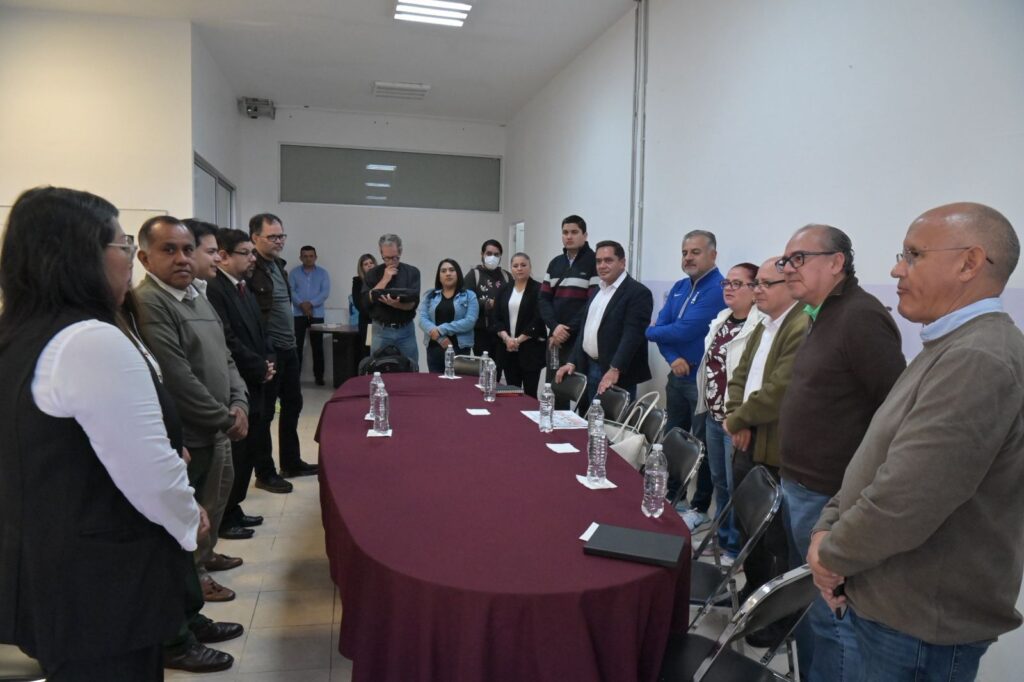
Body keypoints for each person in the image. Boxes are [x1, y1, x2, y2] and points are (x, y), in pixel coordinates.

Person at [809, 203, 1024, 682]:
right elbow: (877, 455)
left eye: (913, 255)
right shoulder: (948, 346)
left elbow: (907, 499)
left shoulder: (979, 358)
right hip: (892, 605)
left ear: (969, 263)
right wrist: (828, 525)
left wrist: (831, 554)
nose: (896, 269)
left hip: (919, 624)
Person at [0, 187, 202, 680]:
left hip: (45, 564)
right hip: (102, 583)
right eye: (123, 244)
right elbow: (150, 475)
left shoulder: (21, 332)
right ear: (81, 255)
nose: (129, 257)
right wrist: (188, 515)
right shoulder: (90, 340)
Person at [775, 224, 906, 681]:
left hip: (829, 495)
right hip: (801, 486)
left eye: (798, 259)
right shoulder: (820, 312)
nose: (787, 269)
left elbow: (894, 411)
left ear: (836, 262)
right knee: (810, 609)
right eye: (785, 260)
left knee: (831, 617)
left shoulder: (860, 317)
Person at [135, 216, 250, 605]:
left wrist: (239, 402)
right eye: (169, 250)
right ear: (144, 258)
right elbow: (178, 378)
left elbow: (225, 357)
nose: (182, 258)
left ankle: (205, 557)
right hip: (193, 435)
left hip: (219, 427)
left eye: (187, 249)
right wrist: (225, 418)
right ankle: (194, 579)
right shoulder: (151, 302)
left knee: (214, 502)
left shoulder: (196, 295)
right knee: (192, 515)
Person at [723, 257, 807, 644]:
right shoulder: (763, 324)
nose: (757, 290)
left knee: (773, 539)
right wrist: (736, 416)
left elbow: (779, 390)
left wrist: (740, 420)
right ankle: (752, 595)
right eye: (755, 283)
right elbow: (739, 374)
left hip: (772, 447)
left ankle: (775, 619)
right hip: (746, 437)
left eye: (765, 284)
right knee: (748, 526)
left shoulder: (800, 327)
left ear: (790, 286)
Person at [646, 230, 726, 531]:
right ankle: (672, 494)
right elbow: (664, 329)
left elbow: (681, 331)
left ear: (713, 255)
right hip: (677, 374)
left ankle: (699, 506)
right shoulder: (680, 286)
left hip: (701, 381)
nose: (688, 258)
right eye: (684, 252)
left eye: (695, 252)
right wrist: (672, 358)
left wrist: (653, 332)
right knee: (674, 437)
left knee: (702, 445)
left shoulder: (717, 289)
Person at [207, 227, 279, 537]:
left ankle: (234, 506)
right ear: (224, 256)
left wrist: (269, 361)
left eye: (252, 252)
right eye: (245, 253)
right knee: (237, 452)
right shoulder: (215, 290)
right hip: (238, 380)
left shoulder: (243, 286)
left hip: (257, 376)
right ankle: (224, 516)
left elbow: (261, 330)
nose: (252, 258)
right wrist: (257, 366)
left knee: (250, 448)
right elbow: (227, 339)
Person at [692, 262, 761, 563]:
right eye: (726, 283)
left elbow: (753, 378)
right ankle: (721, 538)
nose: (729, 288)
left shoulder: (759, 325)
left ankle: (736, 548)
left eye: (737, 283)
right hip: (713, 416)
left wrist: (741, 418)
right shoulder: (722, 319)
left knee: (737, 486)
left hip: (736, 420)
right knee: (720, 481)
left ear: (755, 289)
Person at [249, 213, 318, 480]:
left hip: (288, 348)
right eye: (272, 237)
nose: (279, 241)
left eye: (281, 236)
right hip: (269, 350)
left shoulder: (278, 265)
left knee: (293, 404)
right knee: (265, 413)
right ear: (255, 238)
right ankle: (265, 472)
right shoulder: (251, 269)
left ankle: (291, 463)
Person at [554, 240, 652, 413]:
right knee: (588, 421)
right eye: (598, 261)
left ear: (622, 262)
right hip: (588, 367)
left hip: (615, 374)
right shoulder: (598, 290)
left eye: (608, 260)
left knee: (609, 426)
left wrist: (615, 369)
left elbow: (633, 335)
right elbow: (585, 330)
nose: (602, 265)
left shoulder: (638, 292)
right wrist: (572, 361)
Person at [538, 215, 598, 406]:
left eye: (574, 232)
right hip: (556, 339)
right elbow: (543, 299)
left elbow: (592, 304)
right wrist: (555, 327)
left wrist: (567, 330)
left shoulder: (594, 262)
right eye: (565, 232)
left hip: (580, 339)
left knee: (583, 395)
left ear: (585, 235)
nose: (569, 236)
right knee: (554, 391)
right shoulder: (555, 263)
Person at [491, 252, 547, 397]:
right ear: (511, 268)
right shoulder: (504, 289)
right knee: (513, 393)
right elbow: (496, 318)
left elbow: (538, 319)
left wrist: (518, 340)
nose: (519, 268)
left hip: (531, 350)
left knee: (530, 394)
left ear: (530, 267)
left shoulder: (539, 289)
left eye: (523, 265)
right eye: (515, 266)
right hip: (508, 349)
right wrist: (507, 339)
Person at [362, 233, 422, 367]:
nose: (391, 262)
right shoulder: (372, 274)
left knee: (411, 367)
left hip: (406, 329)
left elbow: (414, 304)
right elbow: (365, 302)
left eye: (395, 257)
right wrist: (385, 279)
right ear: (381, 253)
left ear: (400, 251)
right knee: (377, 368)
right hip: (381, 330)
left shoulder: (412, 272)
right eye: (387, 258)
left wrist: (396, 305)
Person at [417, 259, 479, 373]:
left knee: (458, 383)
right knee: (435, 383)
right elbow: (422, 319)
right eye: (443, 271)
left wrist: (441, 329)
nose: (448, 273)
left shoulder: (470, 295)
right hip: (434, 349)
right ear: (439, 276)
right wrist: (441, 338)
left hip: (459, 349)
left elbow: (470, 321)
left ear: (458, 273)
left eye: (451, 270)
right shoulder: (430, 295)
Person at [464, 239, 512, 360]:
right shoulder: (473, 275)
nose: (492, 257)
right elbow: (465, 301)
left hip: (502, 332)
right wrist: (487, 303)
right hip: (481, 332)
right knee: (483, 366)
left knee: (499, 367)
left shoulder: (506, 276)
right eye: (489, 253)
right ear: (482, 254)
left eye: (496, 254)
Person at [289, 245, 330, 385]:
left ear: (315, 257)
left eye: (311, 256)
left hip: (317, 314)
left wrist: (310, 304)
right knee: (297, 347)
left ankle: (319, 377)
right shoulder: (294, 273)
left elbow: (324, 293)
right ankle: (295, 378)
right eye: (305, 256)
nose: (308, 259)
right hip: (298, 314)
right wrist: (301, 304)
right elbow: (291, 291)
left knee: (318, 347)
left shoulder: (323, 273)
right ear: (300, 258)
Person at [350, 253, 377, 361]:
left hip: (381, 322)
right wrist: (375, 313)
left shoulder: (382, 279)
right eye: (366, 264)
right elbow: (359, 304)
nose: (369, 265)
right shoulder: (357, 282)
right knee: (367, 353)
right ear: (361, 268)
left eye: (371, 263)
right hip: (367, 322)